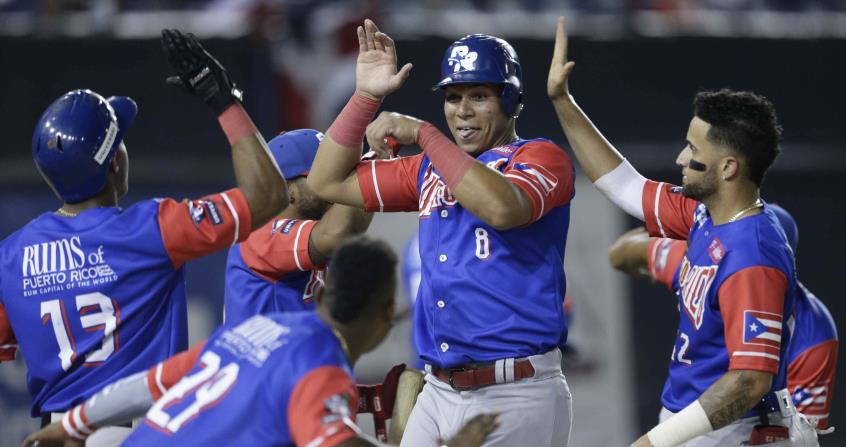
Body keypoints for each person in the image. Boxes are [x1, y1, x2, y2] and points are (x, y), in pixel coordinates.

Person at [0, 29, 286, 445]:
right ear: (114, 163)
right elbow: (270, 195)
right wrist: (225, 102)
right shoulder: (152, 228)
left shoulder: (10, 256)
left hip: (56, 434)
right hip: (138, 433)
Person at [547, 16, 817, 447]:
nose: (680, 159)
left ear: (729, 167)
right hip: (704, 424)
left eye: (693, 152)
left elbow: (750, 380)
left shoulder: (753, 254)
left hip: (737, 433)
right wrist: (562, 101)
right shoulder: (707, 213)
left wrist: (657, 441)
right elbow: (625, 185)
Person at [307, 19, 575, 447]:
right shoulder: (429, 168)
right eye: (453, 97)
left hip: (516, 390)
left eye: (479, 96)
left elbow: (503, 208)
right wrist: (366, 97)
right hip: (437, 390)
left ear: (510, 99)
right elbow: (325, 182)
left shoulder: (540, 156)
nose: (462, 110)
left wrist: (425, 134)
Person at [20, 236, 500, 447]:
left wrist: (72, 425)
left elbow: (152, 383)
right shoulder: (321, 367)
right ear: (384, 315)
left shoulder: (255, 329)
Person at [608, 204, 838, 433]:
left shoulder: (814, 335)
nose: (750, 259)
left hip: (747, 431)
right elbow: (621, 253)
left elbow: (805, 430)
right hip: (682, 413)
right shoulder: (700, 262)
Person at [223, 128, 374, 324]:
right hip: (267, 353)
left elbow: (353, 222)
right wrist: (372, 162)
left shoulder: (317, 227)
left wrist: (381, 156)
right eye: (320, 177)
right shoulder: (257, 232)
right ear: (287, 189)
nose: (331, 185)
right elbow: (338, 232)